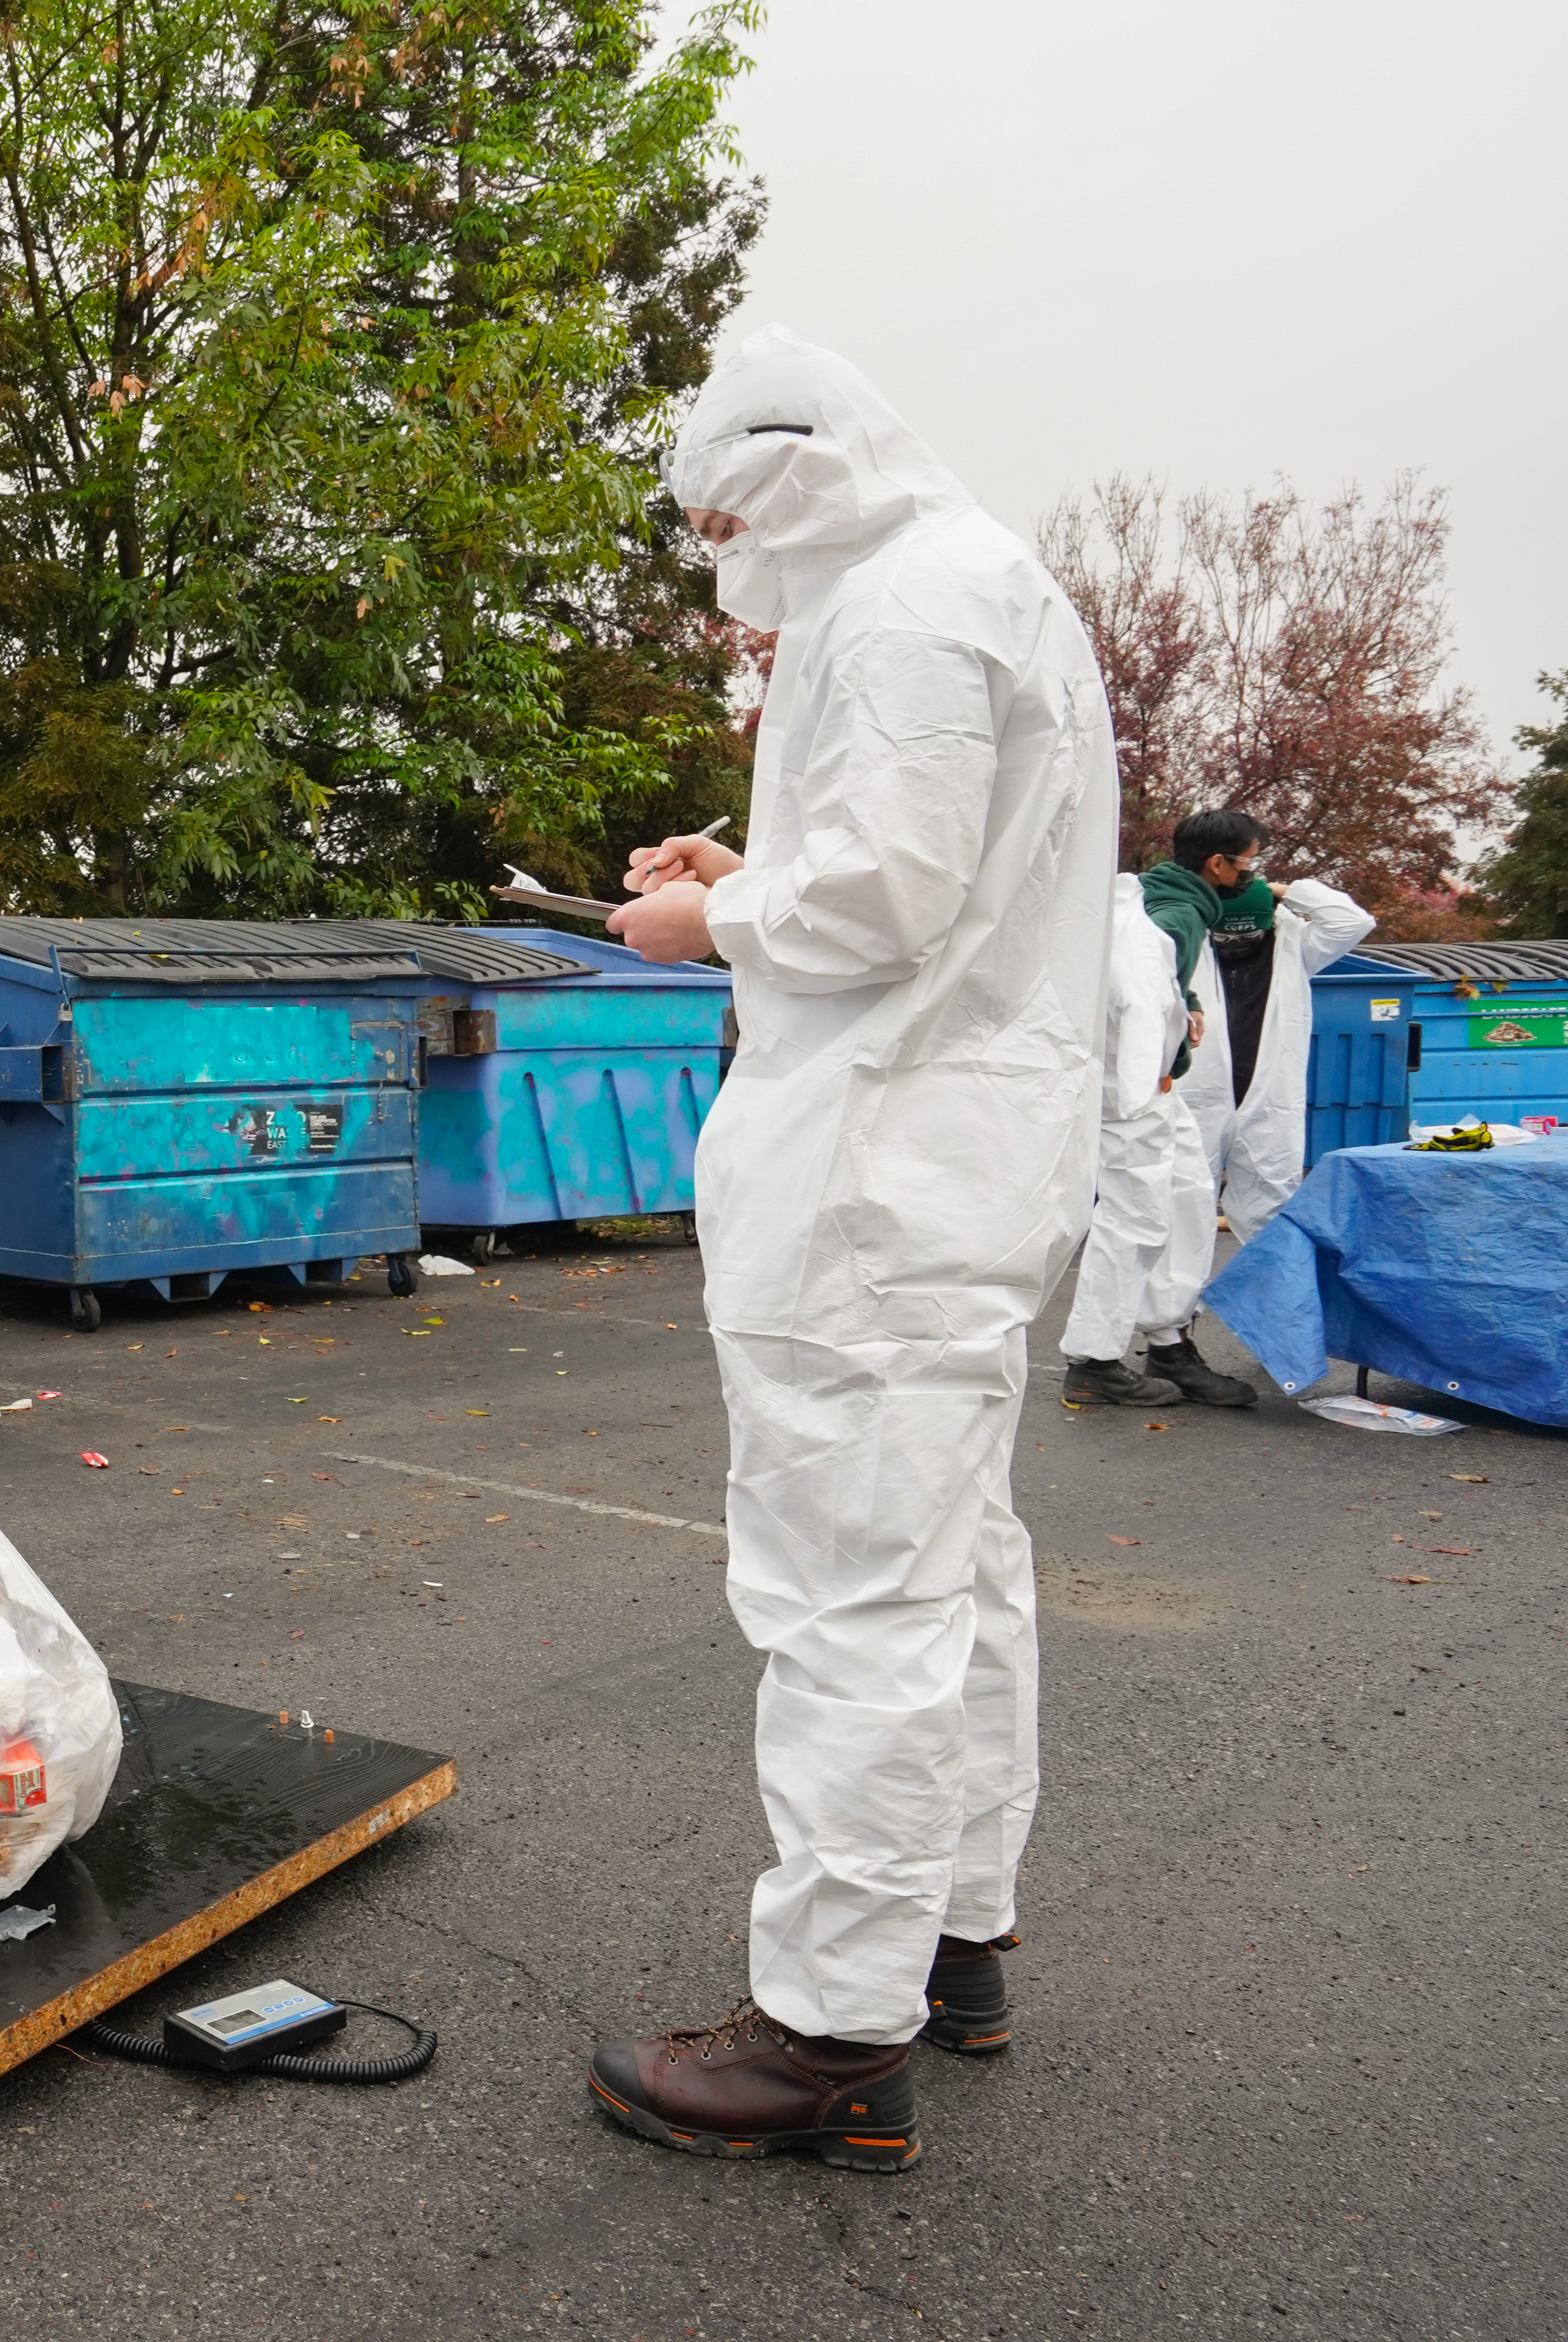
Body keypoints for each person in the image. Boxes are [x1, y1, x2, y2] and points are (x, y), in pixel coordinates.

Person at [593, 327, 1118, 2172]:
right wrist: (734, 869)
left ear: (794, 474)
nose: (726, 555)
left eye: (732, 515)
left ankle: (826, 2033)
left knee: (850, 1600)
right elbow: (914, 860)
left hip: (880, 1171)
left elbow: (881, 898)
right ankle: (949, 1937)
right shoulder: (981, 582)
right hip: (957, 1150)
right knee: (952, 1564)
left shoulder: (894, 604)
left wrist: (700, 920)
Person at [1151, 809, 1374, 1242]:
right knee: (1180, 1209)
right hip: (1197, 1095)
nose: (1236, 945)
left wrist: (1279, 890)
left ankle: (1269, 1308)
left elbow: (1354, 921)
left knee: (1272, 1213)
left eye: (1247, 935)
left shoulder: (1295, 946)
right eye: (1226, 936)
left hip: (1269, 1101)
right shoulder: (1182, 936)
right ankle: (1175, 1311)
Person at [1056, 873, 1215, 1408]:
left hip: (1135, 1092)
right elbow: (1144, 1016)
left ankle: (1166, 1339)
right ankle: (1094, 1361)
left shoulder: (1103, 921)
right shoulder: (1150, 931)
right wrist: (1136, 1100)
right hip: (1133, 1097)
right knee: (1134, 1222)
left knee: (1182, 1200)